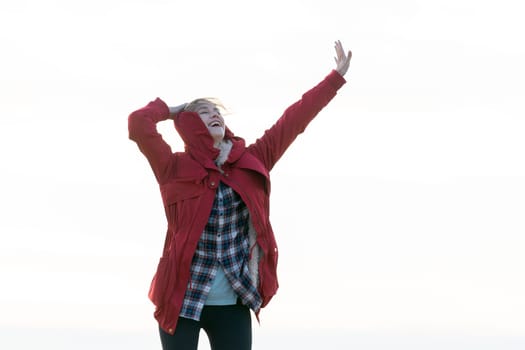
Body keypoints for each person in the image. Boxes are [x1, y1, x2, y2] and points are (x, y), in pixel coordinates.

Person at [128, 40, 352, 350]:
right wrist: (170, 110)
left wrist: (334, 79)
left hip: (232, 300)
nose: (214, 114)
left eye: (216, 111)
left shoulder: (253, 160)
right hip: (181, 301)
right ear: (189, 125)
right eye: (203, 112)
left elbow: (294, 120)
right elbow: (138, 125)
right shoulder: (173, 168)